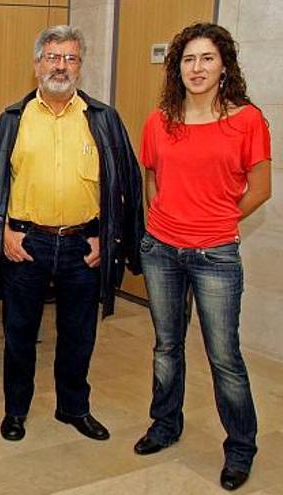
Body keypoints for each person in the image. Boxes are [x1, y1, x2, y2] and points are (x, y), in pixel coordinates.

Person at [0, 25, 144, 444]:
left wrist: (110, 237)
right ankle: (16, 411)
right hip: (26, 245)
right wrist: (4, 234)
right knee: (18, 335)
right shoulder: (12, 120)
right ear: (36, 65)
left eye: (70, 58)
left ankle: (74, 408)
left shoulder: (103, 120)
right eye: (52, 57)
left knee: (79, 334)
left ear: (80, 66)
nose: (61, 66)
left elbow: (126, 182)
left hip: (84, 246)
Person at [133, 23, 272, 492]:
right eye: (188, 59)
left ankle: (240, 449)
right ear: (178, 67)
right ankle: (165, 425)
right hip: (161, 251)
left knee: (224, 355)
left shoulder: (247, 119)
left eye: (207, 58)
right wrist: (161, 219)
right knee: (166, 346)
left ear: (224, 65)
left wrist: (219, 223)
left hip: (215, 255)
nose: (197, 68)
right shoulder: (159, 120)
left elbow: (262, 188)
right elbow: (151, 175)